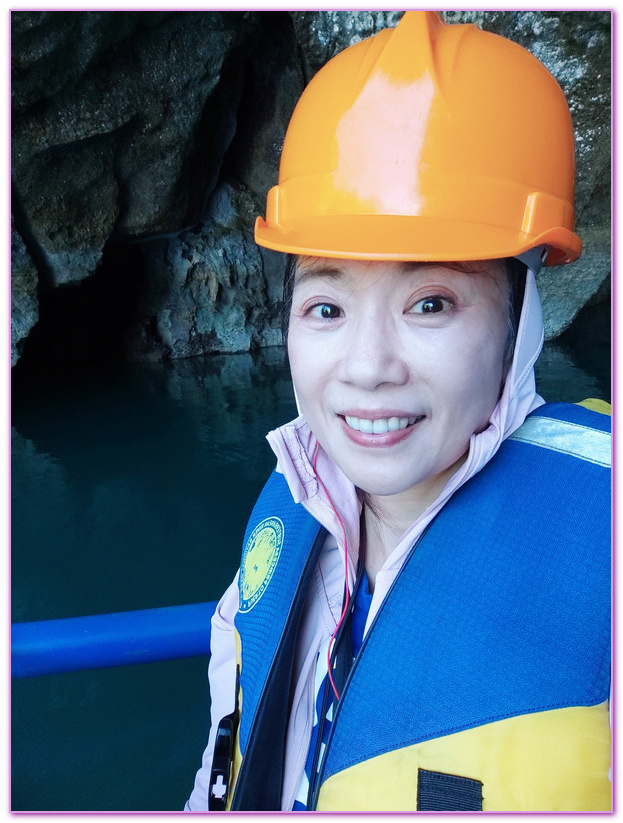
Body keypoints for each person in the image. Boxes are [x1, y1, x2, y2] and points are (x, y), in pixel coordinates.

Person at [186, 11, 611, 812]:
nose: (367, 366)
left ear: (518, 323)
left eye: (430, 302)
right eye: (325, 307)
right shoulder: (290, 506)